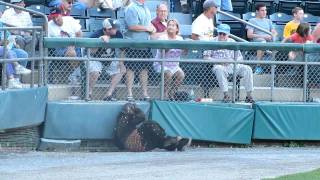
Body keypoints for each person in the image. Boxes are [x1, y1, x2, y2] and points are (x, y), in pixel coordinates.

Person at [204, 24, 254, 103]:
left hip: (232, 64)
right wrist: (220, 61)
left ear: (228, 34)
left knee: (247, 69)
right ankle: (226, 95)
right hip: (219, 65)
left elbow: (240, 58)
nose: (222, 36)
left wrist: (231, 61)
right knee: (219, 69)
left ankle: (249, 96)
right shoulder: (212, 41)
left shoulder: (232, 42)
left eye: (224, 34)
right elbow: (206, 58)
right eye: (220, 33)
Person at [114, 103, 192, 152]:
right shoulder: (125, 117)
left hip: (133, 145)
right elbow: (142, 117)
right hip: (131, 141)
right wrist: (137, 109)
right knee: (149, 124)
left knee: (153, 139)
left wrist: (125, 147)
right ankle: (170, 140)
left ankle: (175, 145)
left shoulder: (120, 121)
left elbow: (117, 141)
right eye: (132, 110)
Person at [123, 0, 156, 101]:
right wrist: (148, 28)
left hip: (145, 45)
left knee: (144, 70)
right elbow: (132, 26)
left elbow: (148, 25)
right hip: (133, 44)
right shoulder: (132, 7)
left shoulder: (146, 8)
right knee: (130, 69)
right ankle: (129, 94)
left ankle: (145, 93)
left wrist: (152, 28)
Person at [88, 18, 126, 100]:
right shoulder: (96, 35)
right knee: (95, 72)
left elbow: (123, 50)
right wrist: (100, 41)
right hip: (94, 58)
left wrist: (121, 62)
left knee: (122, 70)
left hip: (110, 58)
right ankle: (89, 93)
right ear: (107, 29)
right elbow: (91, 51)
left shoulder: (118, 34)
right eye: (114, 27)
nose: (116, 29)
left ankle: (109, 94)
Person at [154, 19, 185, 100]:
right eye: (169, 25)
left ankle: (172, 93)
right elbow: (162, 52)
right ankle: (164, 94)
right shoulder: (162, 38)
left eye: (173, 25)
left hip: (174, 65)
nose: (170, 27)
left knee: (181, 75)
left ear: (177, 29)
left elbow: (184, 53)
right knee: (168, 73)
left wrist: (186, 48)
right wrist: (172, 44)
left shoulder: (180, 39)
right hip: (161, 64)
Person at [246, 3, 277, 74]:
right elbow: (249, 35)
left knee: (278, 43)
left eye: (265, 10)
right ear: (257, 11)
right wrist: (264, 37)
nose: (265, 12)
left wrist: (272, 35)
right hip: (257, 40)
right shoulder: (252, 21)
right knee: (262, 42)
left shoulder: (268, 21)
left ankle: (274, 64)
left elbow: (274, 32)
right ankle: (258, 66)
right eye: (262, 10)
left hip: (268, 40)